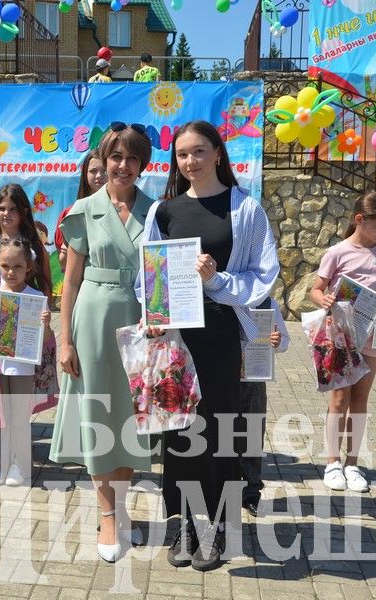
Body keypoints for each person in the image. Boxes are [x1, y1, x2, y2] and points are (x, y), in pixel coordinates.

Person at [141, 120, 279, 571]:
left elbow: (264, 275)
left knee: (220, 430)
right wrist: (155, 316)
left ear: (218, 153)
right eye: (182, 154)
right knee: (177, 429)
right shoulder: (164, 211)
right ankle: (180, 523)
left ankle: (219, 527)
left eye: (199, 152)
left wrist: (216, 279)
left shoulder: (245, 209)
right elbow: (148, 277)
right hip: (177, 336)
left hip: (221, 333)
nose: (190, 161)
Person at [49, 123, 156, 564]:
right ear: (104, 161)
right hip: (92, 318)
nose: (123, 166)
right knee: (96, 407)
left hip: (139, 322)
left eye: (132, 158)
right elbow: (69, 282)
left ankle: (123, 503)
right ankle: (106, 514)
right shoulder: (84, 210)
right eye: (116, 157)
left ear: (142, 163)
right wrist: (64, 340)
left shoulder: (156, 211)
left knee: (130, 410)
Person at [310, 192, 376, 494]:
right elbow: (316, 288)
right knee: (339, 400)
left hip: (372, 336)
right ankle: (332, 462)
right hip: (341, 334)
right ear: (359, 220)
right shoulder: (337, 252)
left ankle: (353, 463)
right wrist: (323, 298)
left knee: (361, 400)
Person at [0, 238, 49, 486]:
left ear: (28, 266)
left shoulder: (36, 298)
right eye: (5, 265)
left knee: (18, 417)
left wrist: (46, 324)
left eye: (17, 266)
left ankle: (19, 466)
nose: (10, 272)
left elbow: (46, 340)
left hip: (23, 368)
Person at [0, 184, 52, 323]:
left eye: (13, 209)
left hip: (23, 316)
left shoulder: (34, 244)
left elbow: (46, 286)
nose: (6, 213)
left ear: (24, 212)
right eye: (1, 209)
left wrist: (43, 316)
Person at [239, 298, 288, 517]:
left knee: (252, 430)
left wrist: (278, 342)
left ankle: (250, 491)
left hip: (254, 375)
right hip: (221, 373)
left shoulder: (267, 304)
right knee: (220, 429)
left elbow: (284, 340)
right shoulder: (219, 297)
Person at [55, 150, 106, 272]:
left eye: (104, 170)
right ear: (85, 174)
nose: (99, 175)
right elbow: (62, 261)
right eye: (93, 171)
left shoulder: (121, 211)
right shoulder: (69, 213)